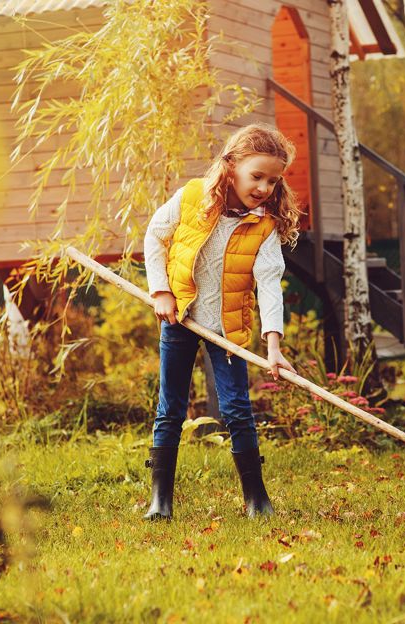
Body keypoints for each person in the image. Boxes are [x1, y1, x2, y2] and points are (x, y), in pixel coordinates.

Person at [142, 123, 301, 520]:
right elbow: (155, 237)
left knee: (237, 409)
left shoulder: (264, 226)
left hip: (227, 329)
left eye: (272, 180)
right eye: (256, 176)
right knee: (171, 408)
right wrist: (161, 291)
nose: (264, 187)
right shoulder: (193, 197)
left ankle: (257, 500)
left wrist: (275, 347)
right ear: (230, 166)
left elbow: (268, 285)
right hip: (180, 318)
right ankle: (160, 500)